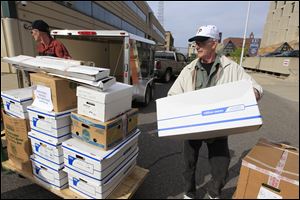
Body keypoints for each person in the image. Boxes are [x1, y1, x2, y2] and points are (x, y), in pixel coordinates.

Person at [168, 25, 263, 199]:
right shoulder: (188, 70)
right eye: (195, 42)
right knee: (188, 165)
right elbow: (172, 94)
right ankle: (189, 194)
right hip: (192, 126)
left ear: (214, 43)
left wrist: (253, 94)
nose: (197, 45)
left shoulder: (231, 68)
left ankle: (214, 193)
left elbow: (255, 87)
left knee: (221, 166)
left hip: (218, 128)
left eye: (201, 42)